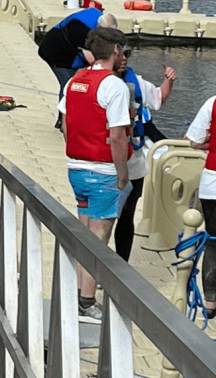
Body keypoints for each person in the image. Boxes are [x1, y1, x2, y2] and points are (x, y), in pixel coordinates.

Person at [58, 26, 132, 323]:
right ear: (115, 51)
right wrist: (123, 175)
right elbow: (117, 136)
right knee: (98, 241)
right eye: (123, 51)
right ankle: (87, 303)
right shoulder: (114, 86)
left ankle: (78, 292)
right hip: (103, 172)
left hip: (76, 169)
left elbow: (65, 125)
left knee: (83, 232)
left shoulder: (75, 80)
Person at [113, 50, 176, 262]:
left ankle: (121, 265)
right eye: (118, 54)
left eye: (126, 54)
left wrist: (168, 81)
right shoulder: (96, 82)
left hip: (133, 162)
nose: (123, 58)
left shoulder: (137, 82)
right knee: (100, 219)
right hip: (103, 162)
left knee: (127, 216)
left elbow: (158, 98)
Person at [38, 9, 117, 128]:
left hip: (70, 49)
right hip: (54, 51)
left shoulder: (96, 14)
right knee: (68, 83)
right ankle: (62, 120)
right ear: (99, 28)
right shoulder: (79, 31)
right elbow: (91, 59)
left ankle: (78, 116)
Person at [185, 96, 216, 319]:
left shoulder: (213, 103)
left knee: (213, 243)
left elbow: (193, 141)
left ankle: (211, 301)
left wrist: (210, 143)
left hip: (212, 184)